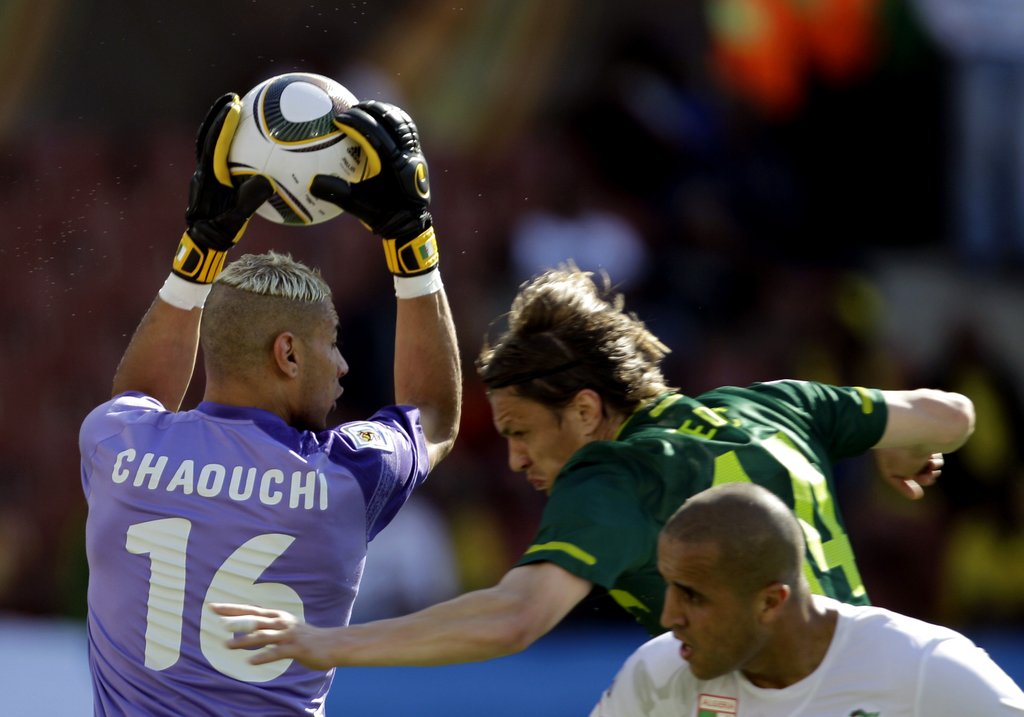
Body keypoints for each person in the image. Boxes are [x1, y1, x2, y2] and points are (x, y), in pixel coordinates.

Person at [212, 264, 975, 670]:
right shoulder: (776, 403)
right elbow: (952, 415)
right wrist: (898, 442)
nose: (514, 458)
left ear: (585, 410)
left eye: (520, 431)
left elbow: (515, 616)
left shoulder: (615, 472)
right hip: (862, 678)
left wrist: (327, 642)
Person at [78, 91, 461, 715]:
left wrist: (201, 247)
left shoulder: (115, 446)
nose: (343, 366)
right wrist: (411, 239)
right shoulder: (347, 478)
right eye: (331, 344)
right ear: (288, 354)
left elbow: (138, 395)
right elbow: (434, 417)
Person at [589, 481, 1024, 715]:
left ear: (770, 602)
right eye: (668, 585)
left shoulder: (926, 666)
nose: (669, 616)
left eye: (693, 596)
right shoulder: (657, 674)